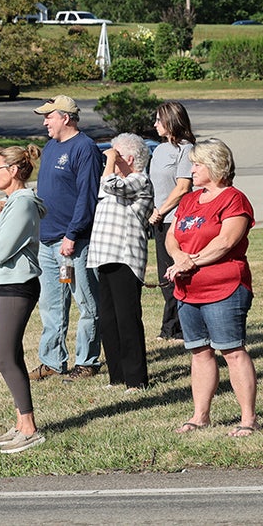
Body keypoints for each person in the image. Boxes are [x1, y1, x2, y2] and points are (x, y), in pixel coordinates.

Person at [164, 138, 261, 437]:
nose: (191, 169)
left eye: (197, 164)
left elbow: (226, 242)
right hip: (188, 290)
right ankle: (200, 415)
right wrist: (179, 256)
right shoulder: (190, 200)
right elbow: (172, 237)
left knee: (232, 351)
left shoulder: (234, 199)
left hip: (225, 287)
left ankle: (248, 419)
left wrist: (190, 261)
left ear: (215, 166)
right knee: (199, 352)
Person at [0, 145, 48, 454]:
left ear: (13, 171)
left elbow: (0, 252)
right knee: (11, 354)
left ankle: (30, 428)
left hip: (19, 285)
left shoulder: (23, 205)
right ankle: (20, 422)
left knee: (3, 357)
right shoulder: (6, 204)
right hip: (1, 283)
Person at [30, 95, 104, 383]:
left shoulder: (84, 148)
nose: (45, 121)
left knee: (85, 301)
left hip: (73, 241)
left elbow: (87, 198)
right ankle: (52, 361)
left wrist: (72, 235)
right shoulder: (51, 147)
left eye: (49, 116)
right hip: (47, 240)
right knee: (51, 304)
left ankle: (87, 361)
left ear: (66, 118)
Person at [87, 133, 155, 392]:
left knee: (127, 318)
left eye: (115, 154)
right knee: (108, 319)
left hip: (125, 257)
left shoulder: (140, 180)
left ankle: (136, 379)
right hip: (104, 256)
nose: (110, 158)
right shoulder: (113, 180)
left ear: (128, 158)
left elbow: (115, 186)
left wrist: (110, 162)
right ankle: (117, 376)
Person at [148, 101, 196, 341]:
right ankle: (171, 327)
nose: (155, 124)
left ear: (171, 121)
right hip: (159, 219)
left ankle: (176, 329)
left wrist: (161, 211)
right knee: (163, 277)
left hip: (175, 219)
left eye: (159, 120)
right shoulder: (158, 150)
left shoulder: (186, 150)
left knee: (176, 273)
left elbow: (182, 187)